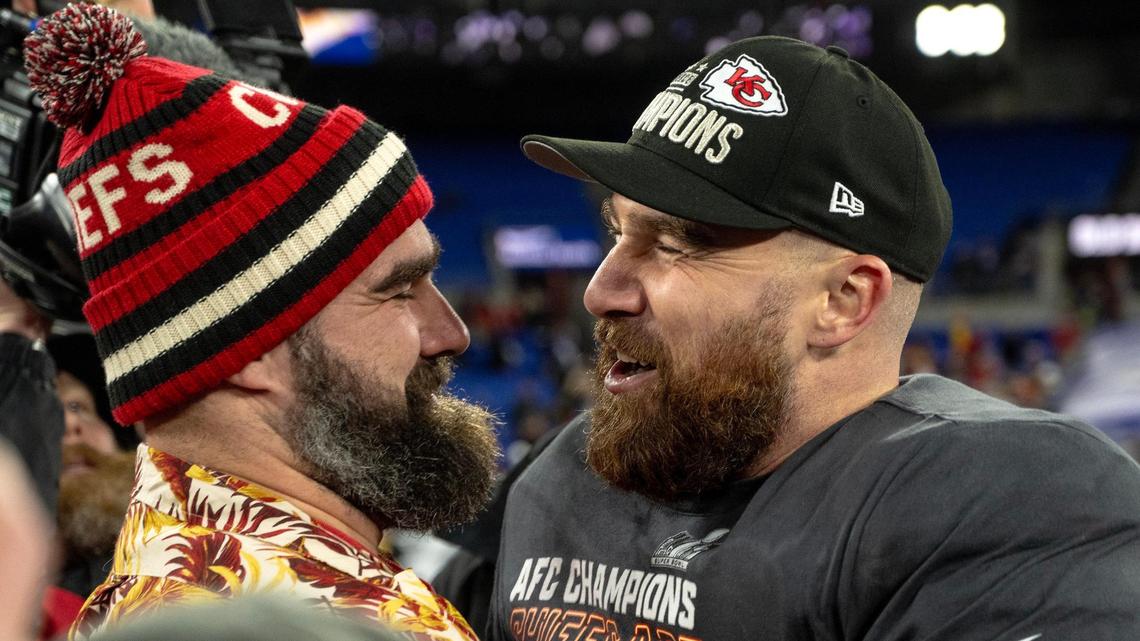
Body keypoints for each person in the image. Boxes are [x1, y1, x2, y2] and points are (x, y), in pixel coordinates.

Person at [487, 36, 1140, 641]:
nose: (601, 291)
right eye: (618, 232)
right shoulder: (566, 473)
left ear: (843, 300)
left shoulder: (1013, 503)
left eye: (676, 244)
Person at [23, 5, 500, 640]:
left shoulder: (173, 588)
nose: (452, 334)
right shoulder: (313, 624)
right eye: (398, 291)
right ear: (245, 350)